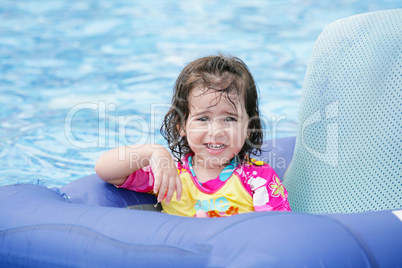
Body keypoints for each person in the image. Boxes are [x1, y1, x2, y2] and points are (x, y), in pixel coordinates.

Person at [95, 55, 291, 217]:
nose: (216, 131)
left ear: (248, 128)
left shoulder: (258, 179)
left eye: (230, 119)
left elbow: (274, 230)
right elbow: (106, 170)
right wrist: (154, 152)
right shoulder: (170, 175)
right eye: (203, 118)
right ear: (182, 126)